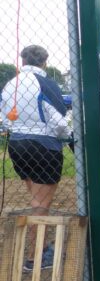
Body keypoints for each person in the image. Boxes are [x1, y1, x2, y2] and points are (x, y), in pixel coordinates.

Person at [2, 45, 71, 271]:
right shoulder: (46, 83)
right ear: (45, 62)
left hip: (17, 144)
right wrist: (69, 137)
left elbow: (4, 118)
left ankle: (38, 247)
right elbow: (60, 122)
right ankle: (34, 256)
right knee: (41, 203)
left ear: (22, 61)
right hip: (44, 146)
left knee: (36, 199)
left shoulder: (11, 84)